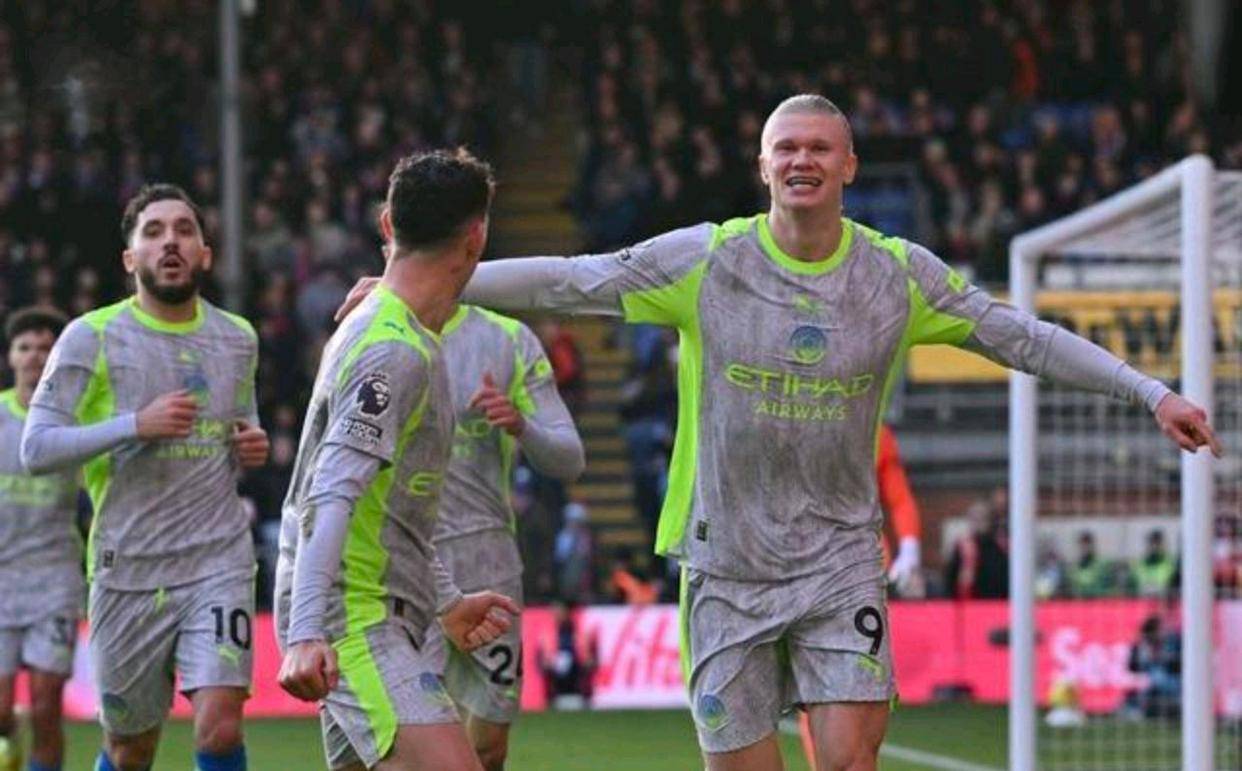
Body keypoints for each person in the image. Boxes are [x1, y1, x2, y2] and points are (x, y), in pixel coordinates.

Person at [338, 95, 1220, 771]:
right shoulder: (708, 260)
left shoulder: (895, 275)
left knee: (850, 760)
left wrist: (1147, 392)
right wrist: (419, 280)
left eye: (819, 148)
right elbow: (577, 279)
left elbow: (1019, 335)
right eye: (786, 147)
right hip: (725, 564)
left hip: (840, 559)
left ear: (849, 165)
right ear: (763, 165)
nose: (802, 159)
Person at [273, 149, 520, 771]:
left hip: (379, 604)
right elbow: (331, 492)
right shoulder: (394, 350)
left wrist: (446, 600)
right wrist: (306, 632)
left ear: (387, 224)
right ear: (476, 238)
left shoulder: (390, 329)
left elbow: (391, 503)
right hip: (354, 614)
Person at [20, 184, 271, 771]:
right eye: (153, 233)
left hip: (218, 560)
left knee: (220, 725)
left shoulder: (238, 337)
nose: (170, 242)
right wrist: (135, 424)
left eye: (184, 230)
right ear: (131, 259)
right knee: (130, 750)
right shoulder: (91, 336)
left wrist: (251, 444)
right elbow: (37, 448)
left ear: (205, 253)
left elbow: (243, 421)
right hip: (128, 568)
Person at [420, 302, 585, 770]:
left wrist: (522, 425)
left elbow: (570, 460)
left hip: (486, 558)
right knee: (410, 741)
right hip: (403, 558)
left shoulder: (508, 339)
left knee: (489, 747)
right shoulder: (372, 326)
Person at [0, 307, 77, 771]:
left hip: (54, 579)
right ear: (11, 357)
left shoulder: (74, 421)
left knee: (47, 705)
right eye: (24, 347)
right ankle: (10, 748)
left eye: (44, 348)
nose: (33, 357)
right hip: (2, 579)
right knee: (1, 711)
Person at [1132, 529, 1176, 599]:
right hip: (1144, 599)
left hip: (1163, 599)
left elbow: (1165, 580)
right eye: (1152, 543)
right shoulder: (1140, 564)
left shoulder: (1169, 562)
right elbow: (1141, 581)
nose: (1154, 546)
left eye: (1157, 543)